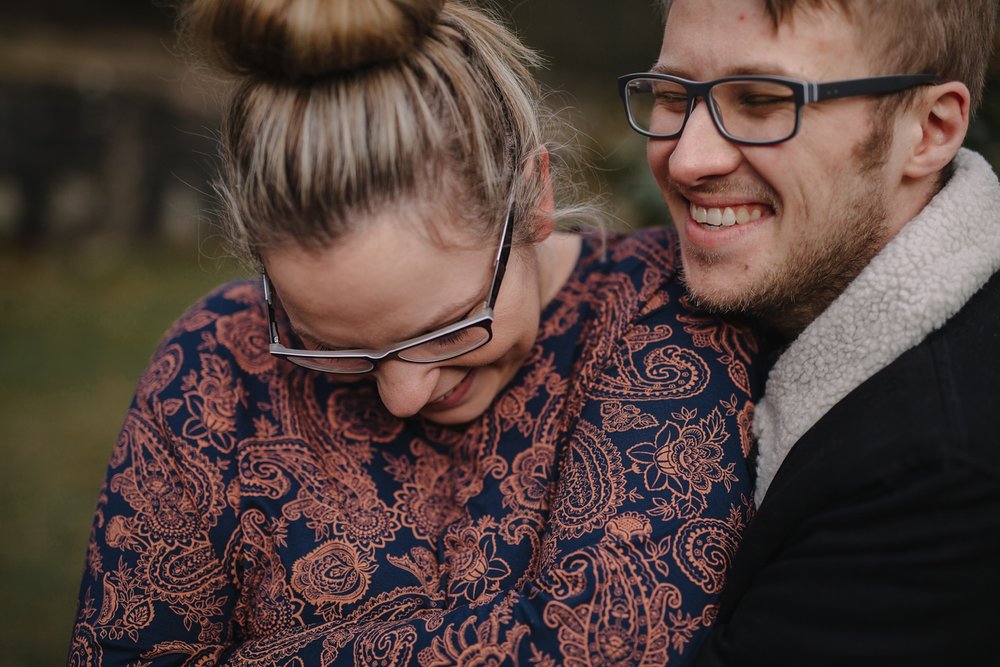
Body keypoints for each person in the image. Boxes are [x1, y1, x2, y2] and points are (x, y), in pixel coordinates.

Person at [68, 0, 763, 663]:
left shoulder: (663, 314)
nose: (402, 394)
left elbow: (606, 643)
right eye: (331, 345)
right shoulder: (214, 365)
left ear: (536, 199)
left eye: (451, 327)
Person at [618, 0, 1000, 664]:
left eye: (763, 101)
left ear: (930, 129)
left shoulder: (948, 472)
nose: (687, 161)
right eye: (673, 96)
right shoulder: (667, 285)